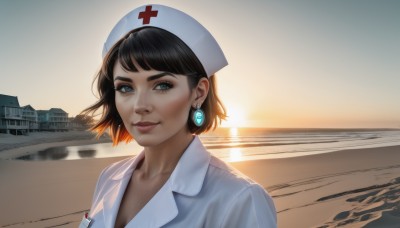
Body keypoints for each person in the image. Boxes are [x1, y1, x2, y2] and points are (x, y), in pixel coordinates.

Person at [80, 4, 277, 228]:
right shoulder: (108, 178)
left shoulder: (240, 198)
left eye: (162, 85)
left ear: (199, 92)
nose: (140, 105)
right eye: (126, 88)